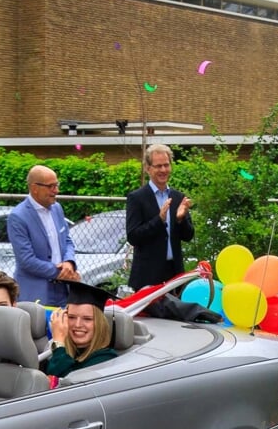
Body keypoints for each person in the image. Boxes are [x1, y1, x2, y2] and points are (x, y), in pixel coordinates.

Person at [125, 143, 195, 290]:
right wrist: (159, 220)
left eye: (166, 165)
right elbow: (133, 236)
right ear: (148, 168)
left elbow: (188, 236)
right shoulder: (137, 198)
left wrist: (180, 219)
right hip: (147, 276)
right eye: (158, 166)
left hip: (174, 275)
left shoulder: (178, 197)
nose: (163, 170)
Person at [6, 165, 78, 306]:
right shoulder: (18, 217)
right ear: (34, 188)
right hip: (37, 292)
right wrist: (61, 272)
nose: (56, 191)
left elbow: (67, 240)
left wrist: (69, 262)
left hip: (63, 289)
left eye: (57, 185)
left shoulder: (57, 208)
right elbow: (26, 260)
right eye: (51, 186)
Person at [44, 280, 118, 378]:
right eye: (71, 317)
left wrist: (58, 344)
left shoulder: (106, 358)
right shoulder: (64, 350)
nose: (78, 325)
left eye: (87, 319)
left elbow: (62, 384)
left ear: (100, 324)